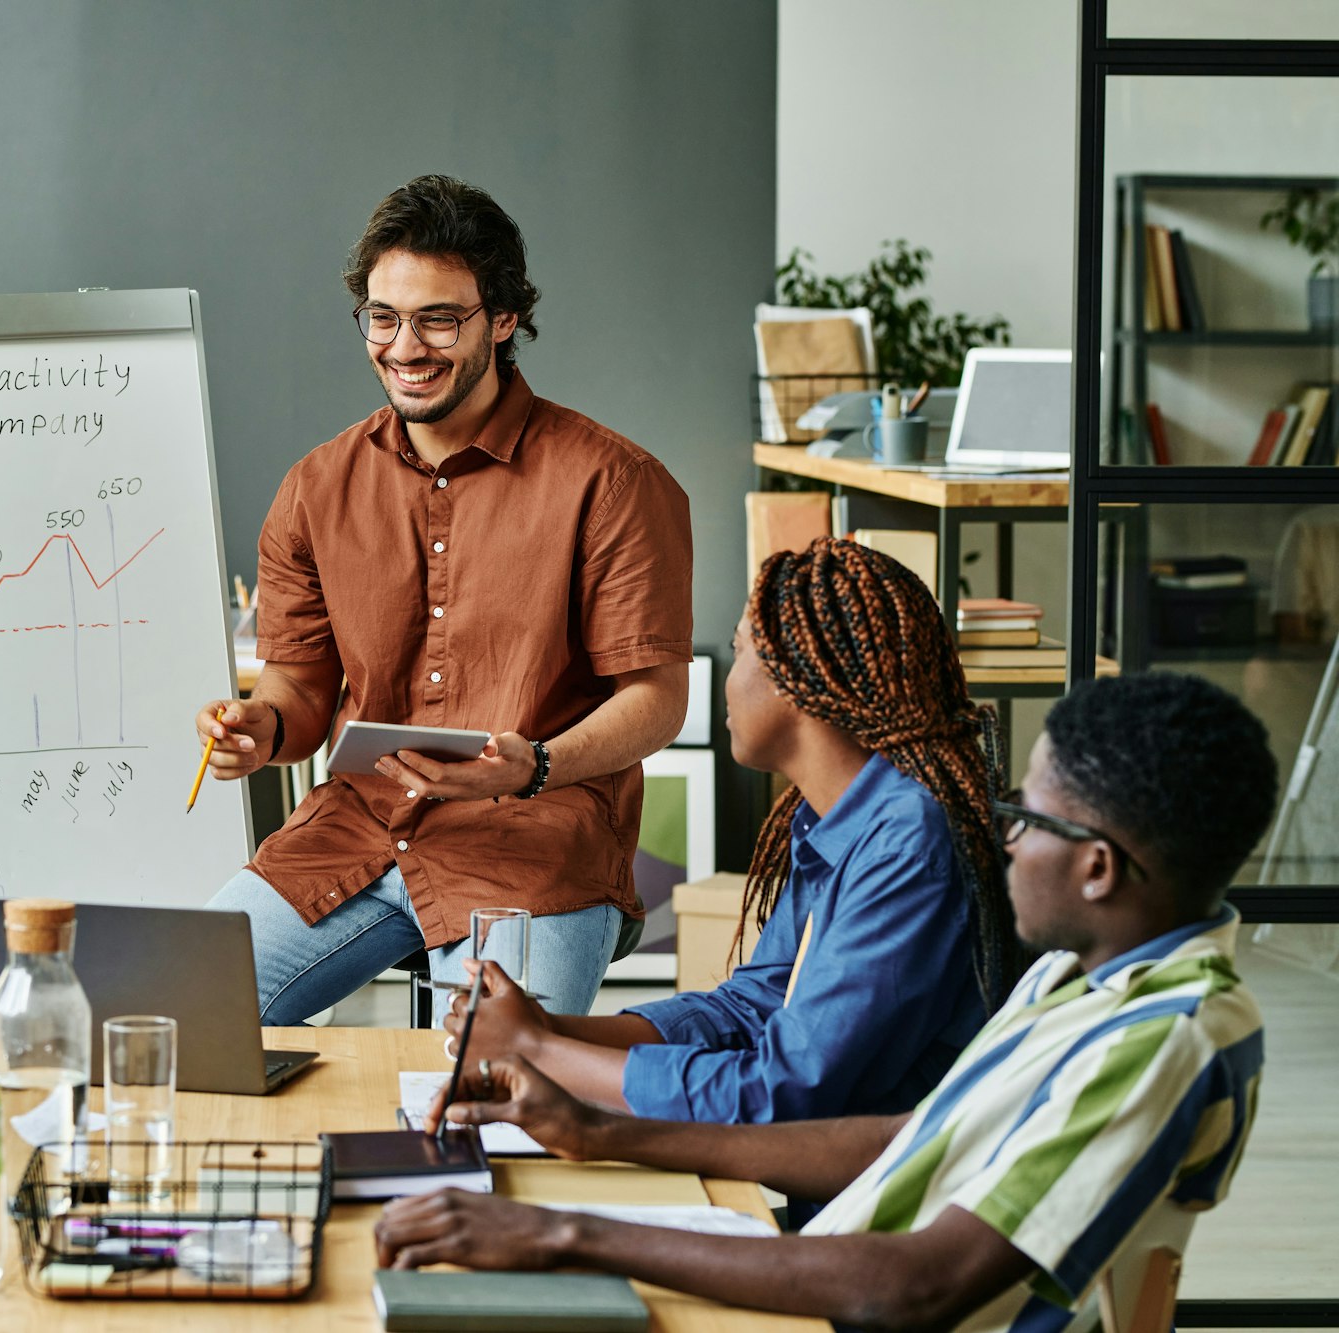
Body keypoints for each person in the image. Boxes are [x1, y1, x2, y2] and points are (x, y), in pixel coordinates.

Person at [387, 671, 1275, 1333]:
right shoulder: (1082, 976)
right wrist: (598, 1134)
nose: (1005, 832)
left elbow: (919, 1284)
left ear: (1096, 866)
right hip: (827, 1281)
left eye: (1028, 815)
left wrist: (561, 1232)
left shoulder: (1167, 1035)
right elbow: (908, 1137)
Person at [198, 174, 693, 1022]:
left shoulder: (614, 482)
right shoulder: (316, 487)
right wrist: (262, 727)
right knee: (178, 1013)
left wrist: (533, 765)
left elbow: (655, 701)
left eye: (438, 319)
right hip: (356, 829)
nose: (404, 347)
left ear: (502, 320)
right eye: (383, 318)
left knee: (495, 1080)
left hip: (538, 838)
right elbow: (300, 691)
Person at [449, 537, 1018, 1128]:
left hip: (862, 1203)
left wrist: (542, 1054)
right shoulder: (836, 819)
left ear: (797, 678)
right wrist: (546, 1029)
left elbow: (782, 1090)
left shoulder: (910, 844)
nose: (724, 675)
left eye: (737, 649)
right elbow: (752, 1009)